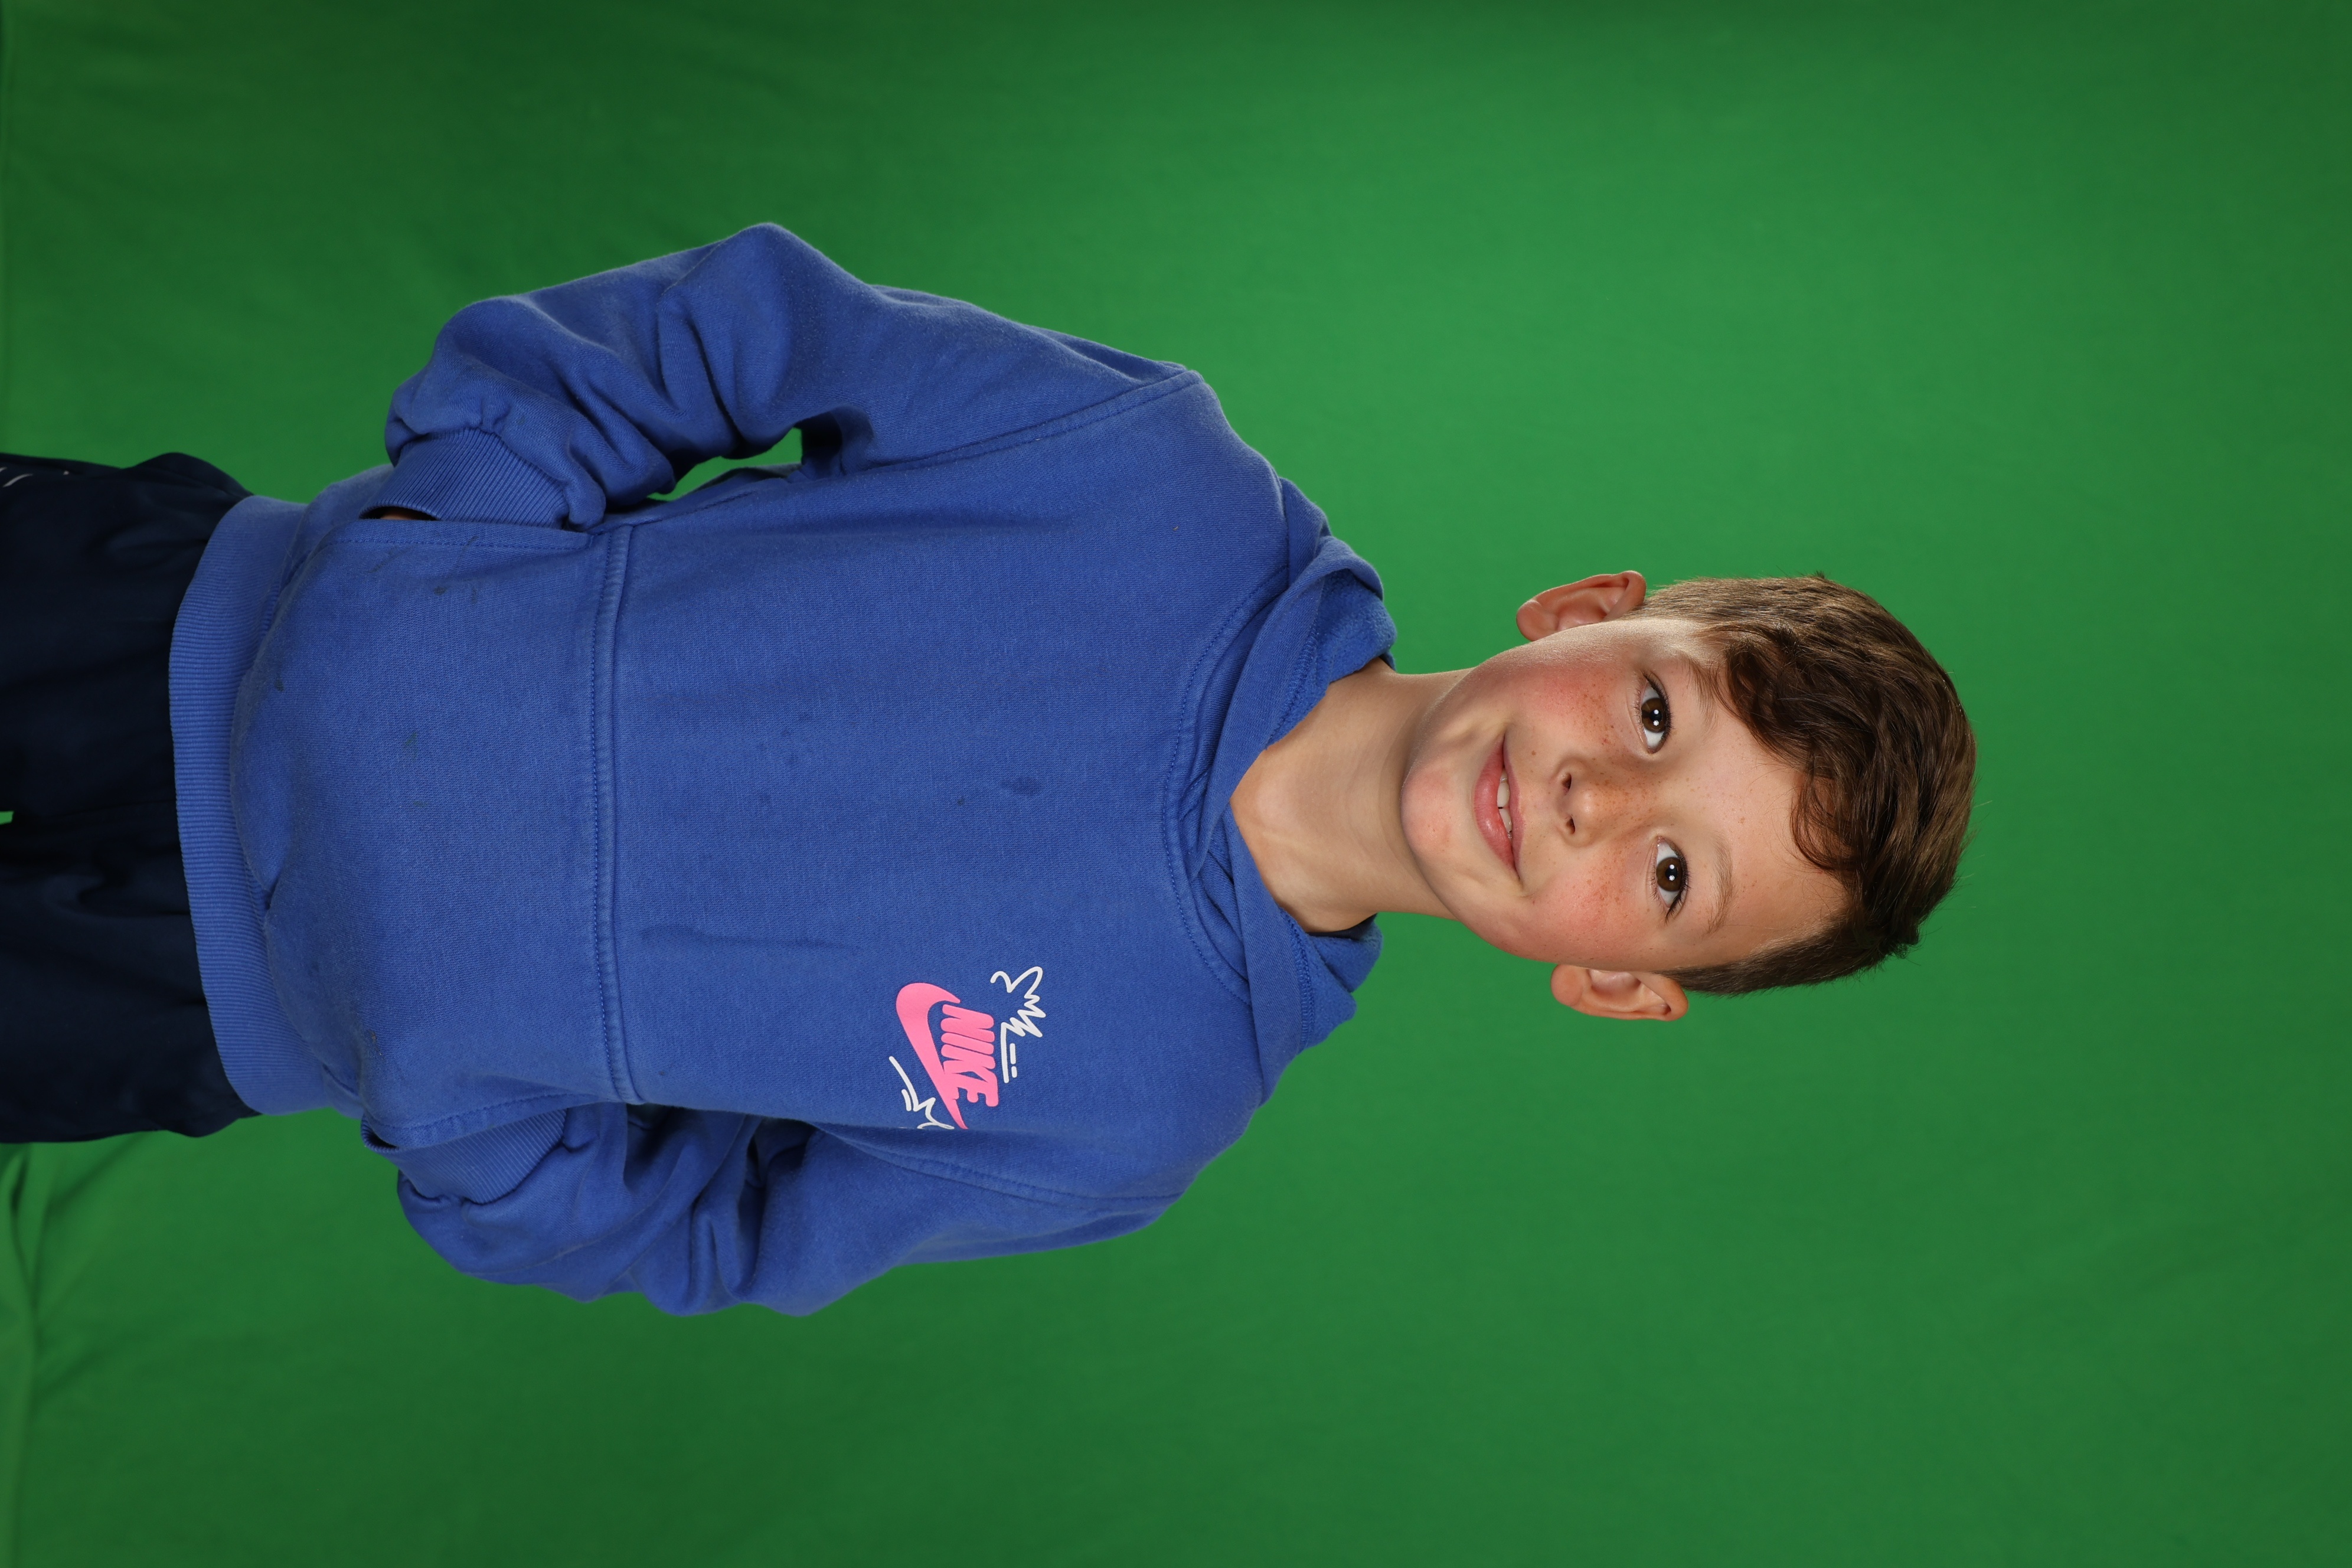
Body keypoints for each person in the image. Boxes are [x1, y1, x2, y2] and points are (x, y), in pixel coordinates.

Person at [0, 224, 1975, 1315]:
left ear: (1617, 979)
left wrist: (481, 1141)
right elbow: (756, 330)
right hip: (167, 615)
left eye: (1670, 878)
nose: (1599, 802)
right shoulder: (1151, 480)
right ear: (1589, 611)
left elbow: (739, 1233)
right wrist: (460, 523)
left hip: (194, 1003)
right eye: (1657, 719)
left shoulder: (1135, 1118)